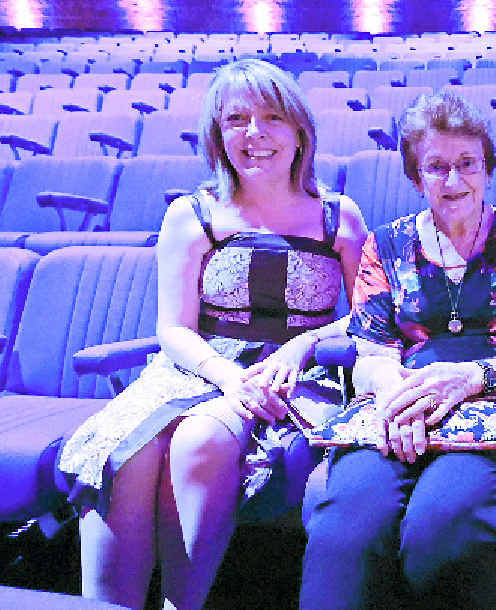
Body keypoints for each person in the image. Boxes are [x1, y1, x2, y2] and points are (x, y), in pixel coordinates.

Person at [57, 59, 367, 610]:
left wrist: (304, 344)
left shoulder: (338, 218)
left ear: (299, 131)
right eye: (236, 119)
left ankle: (185, 603)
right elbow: (173, 329)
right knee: (118, 453)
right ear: (217, 134)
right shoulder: (190, 214)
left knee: (200, 440)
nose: (255, 133)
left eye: (272, 117)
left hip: (296, 372)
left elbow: (370, 315)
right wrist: (229, 378)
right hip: (199, 365)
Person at [300, 91, 496, 609]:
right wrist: (406, 401)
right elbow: (373, 354)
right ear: (415, 175)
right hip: (403, 402)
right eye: (436, 167)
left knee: (442, 531)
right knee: (344, 530)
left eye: (467, 164)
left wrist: (473, 379)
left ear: (487, 168)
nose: (453, 181)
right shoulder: (385, 245)